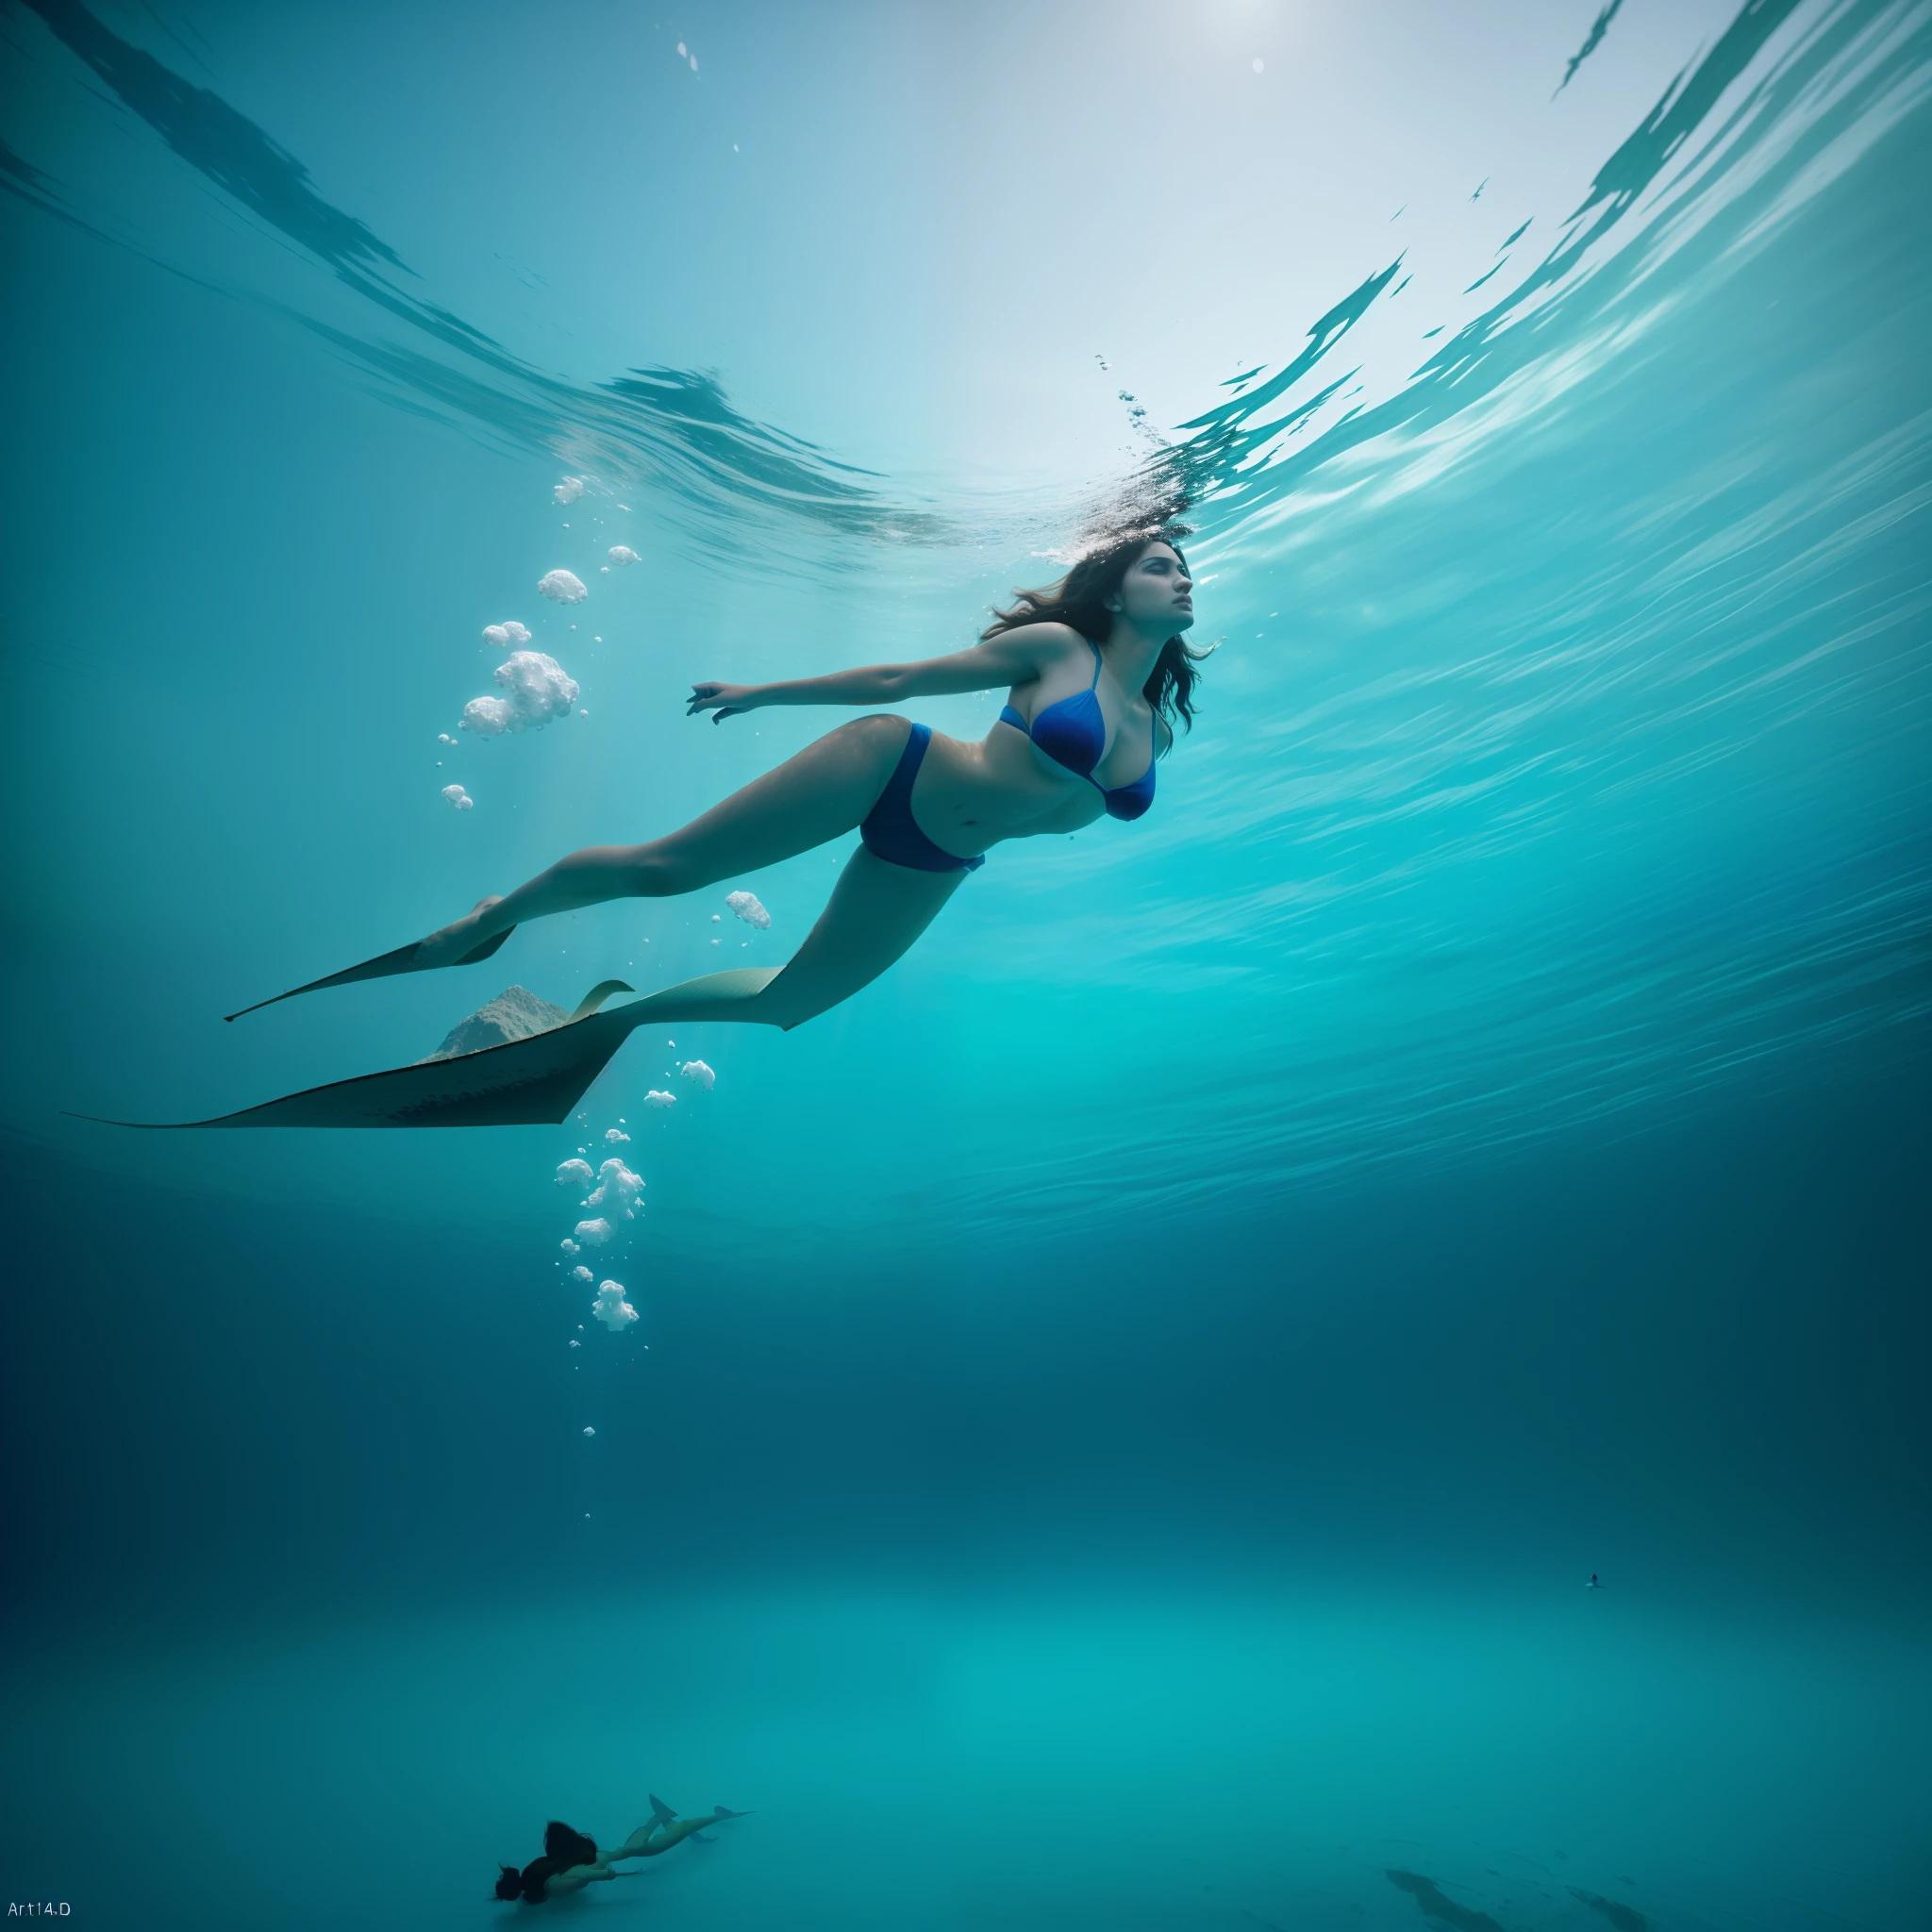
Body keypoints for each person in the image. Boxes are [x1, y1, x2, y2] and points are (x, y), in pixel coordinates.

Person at [230, 529, 1209, 1041]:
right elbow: (898, 680)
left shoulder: (1152, 725)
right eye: (1160, 565)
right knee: (668, 871)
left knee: (795, 1001)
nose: (1180, 579)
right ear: (1113, 586)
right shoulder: (1055, 647)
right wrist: (765, 691)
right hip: (896, 762)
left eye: (1185, 569)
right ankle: (494, 914)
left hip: (941, 851)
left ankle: (615, 1013)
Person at [493, 1799, 744, 1904]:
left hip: (629, 1851)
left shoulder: (545, 1883)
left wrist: (607, 1872)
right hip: (628, 1852)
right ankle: (707, 1819)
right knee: (673, 1832)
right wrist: (606, 1871)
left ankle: (677, 1819)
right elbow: (583, 1875)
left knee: (666, 1833)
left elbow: (589, 1875)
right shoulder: (538, 1874)